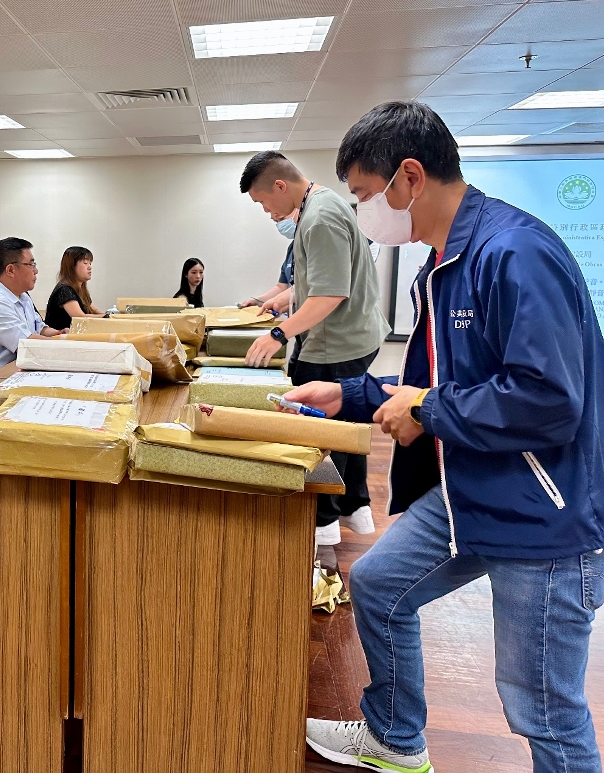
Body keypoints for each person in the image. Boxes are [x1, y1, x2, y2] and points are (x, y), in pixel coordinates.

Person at [291, 101, 604, 773]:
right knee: (378, 585)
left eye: (365, 196)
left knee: (543, 710)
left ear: (410, 177)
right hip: (474, 488)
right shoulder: (444, 262)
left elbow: (550, 400)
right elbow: (435, 384)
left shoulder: (513, 253)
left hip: (544, 512)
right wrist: (347, 395)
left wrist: (428, 409)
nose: (364, 213)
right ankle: (395, 739)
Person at [240, 151, 390, 547]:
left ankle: (321, 526)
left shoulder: (320, 217)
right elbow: (317, 282)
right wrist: (282, 299)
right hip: (348, 339)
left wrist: (277, 335)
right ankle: (352, 507)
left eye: (263, 201)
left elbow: (329, 294)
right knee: (345, 427)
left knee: (320, 432)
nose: (266, 211)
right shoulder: (318, 207)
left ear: (280, 186)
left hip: (336, 344)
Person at [0, 237, 64, 375]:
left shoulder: (22, 296)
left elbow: (40, 328)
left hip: (16, 371)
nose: (36, 271)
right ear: (10, 270)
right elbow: (28, 344)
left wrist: (60, 334)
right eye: (31, 265)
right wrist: (67, 344)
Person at [239, 209, 297, 315]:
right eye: (277, 221)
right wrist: (258, 301)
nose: (273, 216)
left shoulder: (315, 245)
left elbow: (308, 288)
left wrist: (277, 301)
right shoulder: (292, 248)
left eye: (282, 218)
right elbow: (281, 287)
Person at [44, 246, 106, 330]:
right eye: (85, 263)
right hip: (59, 336)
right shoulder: (64, 289)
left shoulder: (81, 290)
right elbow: (79, 317)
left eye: (90, 263)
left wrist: (111, 316)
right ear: (72, 266)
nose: (89, 267)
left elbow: (95, 310)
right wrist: (106, 317)